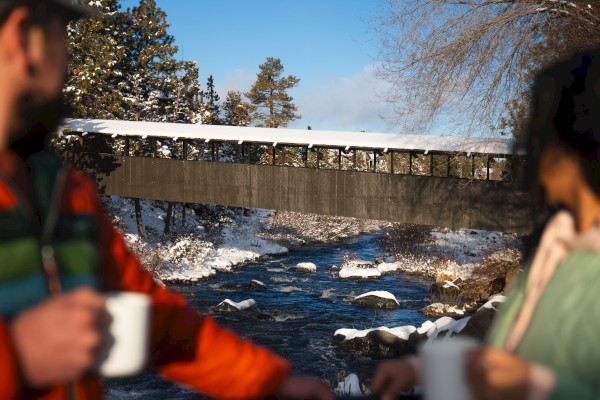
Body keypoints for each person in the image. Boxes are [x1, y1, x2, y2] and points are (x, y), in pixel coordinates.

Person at [0, 1, 334, 399]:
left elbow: (154, 322)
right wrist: (16, 356)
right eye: (62, 38)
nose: (69, 61)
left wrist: (270, 383)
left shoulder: (66, 193)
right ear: (24, 40)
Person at [372, 49, 600, 400]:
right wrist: (422, 369)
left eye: (539, 129)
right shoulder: (557, 243)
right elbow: (508, 357)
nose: (530, 145)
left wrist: (533, 386)